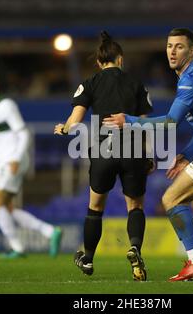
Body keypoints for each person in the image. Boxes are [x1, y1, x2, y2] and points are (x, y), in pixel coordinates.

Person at [104, 28, 193, 281]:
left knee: (171, 199)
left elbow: (171, 122)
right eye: (170, 46)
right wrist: (185, 155)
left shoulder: (191, 78)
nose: (172, 51)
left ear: (191, 51)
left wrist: (127, 120)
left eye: (179, 46)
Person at [54, 31, 153, 281]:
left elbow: (76, 119)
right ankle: (135, 250)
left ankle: (87, 258)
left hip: (103, 150)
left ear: (99, 62)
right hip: (132, 150)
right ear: (120, 59)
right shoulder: (136, 84)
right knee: (135, 206)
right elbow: (144, 123)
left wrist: (64, 128)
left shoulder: (91, 82)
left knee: (95, 207)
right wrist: (149, 155)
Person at [0, 69, 62, 259]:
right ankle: (49, 231)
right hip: (2, 161)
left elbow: (24, 133)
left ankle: (17, 247)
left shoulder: (6, 105)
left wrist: (16, 158)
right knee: (7, 208)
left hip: (12, 159)